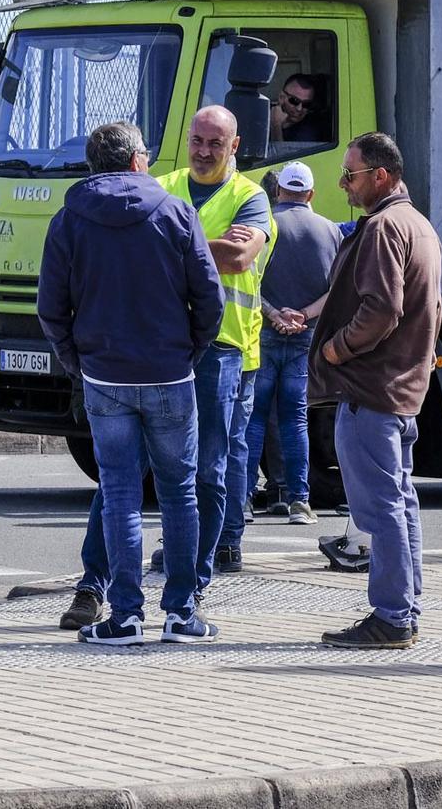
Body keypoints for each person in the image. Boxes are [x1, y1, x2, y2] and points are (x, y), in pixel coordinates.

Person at [41, 122, 222, 644]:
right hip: (169, 372)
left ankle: (123, 617)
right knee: (179, 493)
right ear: (139, 160)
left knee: (119, 494)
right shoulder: (176, 212)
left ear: (92, 164)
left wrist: (77, 361)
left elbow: (51, 307)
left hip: (104, 375)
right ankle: (182, 614)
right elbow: (209, 298)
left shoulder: (70, 218)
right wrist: (190, 349)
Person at [310, 133, 442, 649]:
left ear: (380, 176)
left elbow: (382, 310)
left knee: (379, 508)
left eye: (351, 174)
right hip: (399, 387)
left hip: (373, 388)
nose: (344, 183)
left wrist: (336, 350)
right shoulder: (417, 223)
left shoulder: (386, 226)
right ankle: (403, 610)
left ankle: (390, 616)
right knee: (399, 503)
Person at [155, 106, 270, 585]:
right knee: (169, 461)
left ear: (234, 147)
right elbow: (142, 242)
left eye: (215, 144)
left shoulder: (251, 197)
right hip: (168, 342)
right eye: (197, 141)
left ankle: (213, 553)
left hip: (225, 346)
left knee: (212, 461)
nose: (204, 152)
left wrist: (170, 237)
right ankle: (184, 547)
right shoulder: (164, 185)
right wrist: (210, 242)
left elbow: (241, 257)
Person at [253, 160, 341, 526]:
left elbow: (248, 283)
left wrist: (275, 314)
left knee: (253, 420)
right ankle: (299, 501)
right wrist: (303, 315)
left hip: (265, 334)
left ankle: (242, 499)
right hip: (306, 336)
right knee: (296, 419)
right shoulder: (331, 230)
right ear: (311, 193)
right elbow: (337, 290)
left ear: (278, 191)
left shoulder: (265, 227)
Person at [269, 73, 328, 144]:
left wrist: (276, 125)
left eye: (306, 104)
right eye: (294, 101)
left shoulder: (309, 132)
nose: (299, 109)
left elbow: (280, 154)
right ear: (281, 97)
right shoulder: (262, 117)